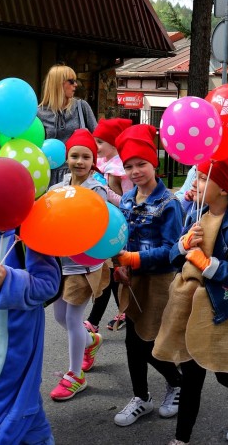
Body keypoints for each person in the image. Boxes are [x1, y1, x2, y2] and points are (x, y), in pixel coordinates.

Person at [153, 151, 228, 445]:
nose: (196, 181)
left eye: (204, 177)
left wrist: (208, 265)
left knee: (223, 372)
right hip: (188, 305)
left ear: (225, 188)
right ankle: (182, 439)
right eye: (198, 175)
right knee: (192, 375)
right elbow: (173, 258)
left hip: (220, 308)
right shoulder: (194, 213)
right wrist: (182, 245)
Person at [112, 124, 184, 426]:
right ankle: (141, 396)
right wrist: (121, 263)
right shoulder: (127, 199)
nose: (135, 171)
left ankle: (178, 382)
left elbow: (172, 250)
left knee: (151, 342)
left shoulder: (169, 204)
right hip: (133, 280)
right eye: (129, 166)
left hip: (159, 281)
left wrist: (134, 258)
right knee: (132, 341)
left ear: (154, 162)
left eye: (141, 164)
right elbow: (122, 238)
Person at [49, 129, 108, 401]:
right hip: (60, 264)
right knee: (60, 317)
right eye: (75, 156)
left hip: (84, 267)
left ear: (93, 161)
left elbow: (98, 224)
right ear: (67, 158)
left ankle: (75, 375)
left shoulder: (97, 189)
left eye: (86, 156)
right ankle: (91, 341)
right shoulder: (58, 187)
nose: (80, 162)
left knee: (72, 318)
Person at [0, 229, 61, 444]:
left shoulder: (28, 230)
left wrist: (8, 279)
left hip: (15, 347)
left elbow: (48, 284)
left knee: (18, 408)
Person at [83, 118, 134, 334]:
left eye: (100, 142)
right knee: (110, 274)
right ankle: (125, 313)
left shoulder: (122, 169)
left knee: (110, 272)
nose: (96, 146)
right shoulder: (100, 166)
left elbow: (129, 202)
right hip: (100, 225)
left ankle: (93, 322)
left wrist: (105, 191)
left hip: (117, 228)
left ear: (114, 144)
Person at [37, 64, 97, 186]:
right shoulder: (38, 113)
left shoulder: (81, 106)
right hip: (47, 176)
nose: (76, 84)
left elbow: (98, 138)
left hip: (79, 176)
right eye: (71, 81)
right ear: (58, 83)